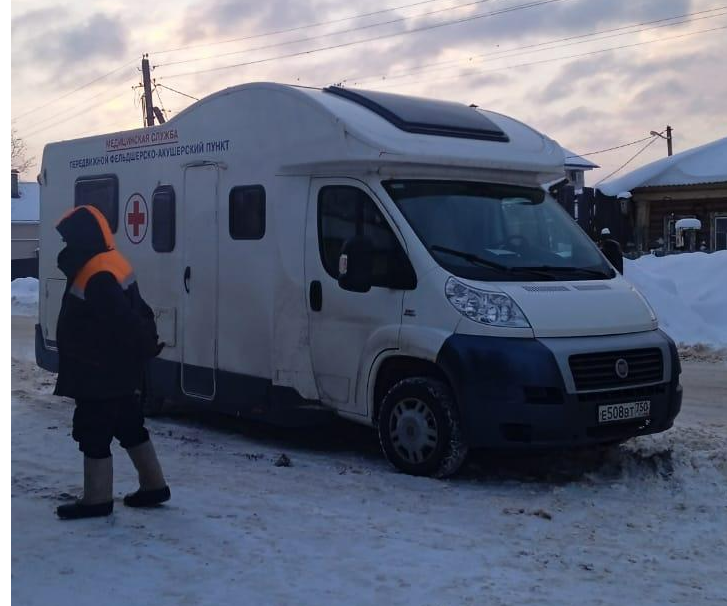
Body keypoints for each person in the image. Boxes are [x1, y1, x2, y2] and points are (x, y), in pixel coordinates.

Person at [54, 205, 170, 520]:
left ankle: (96, 498)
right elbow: (136, 312)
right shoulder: (108, 262)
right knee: (128, 424)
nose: (65, 246)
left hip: (98, 369)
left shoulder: (97, 272)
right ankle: (153, 485)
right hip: (117, 368)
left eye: (69, 239)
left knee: (93, 428)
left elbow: (120, 319)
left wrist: (140, 345)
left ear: (83, 238)